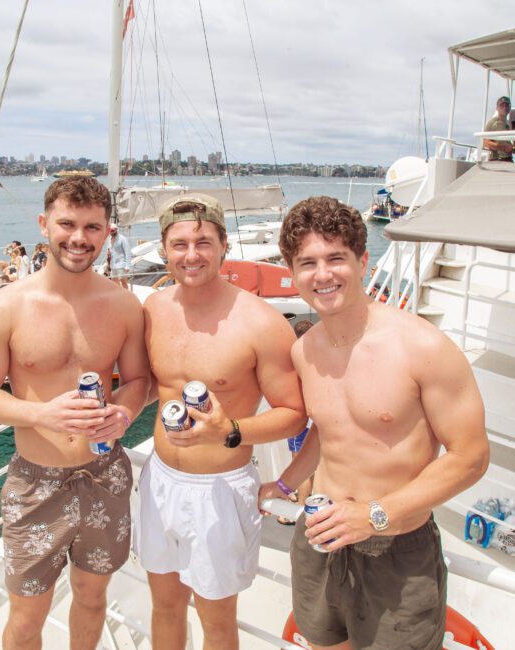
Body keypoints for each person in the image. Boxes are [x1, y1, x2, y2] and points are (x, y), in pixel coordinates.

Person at [259, 196, 489, 650]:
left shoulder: (423, 347)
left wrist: (375, 515)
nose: (322, 275)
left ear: (364, 261)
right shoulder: (305, 350)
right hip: (319, 535)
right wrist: (284, 485)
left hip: (395, 547)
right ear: (292, 271)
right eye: (308, 263)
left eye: (335, 258)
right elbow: (327, 431)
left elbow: (472, 456)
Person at [0, 176, 149, 650]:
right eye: (67, 223)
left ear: (108, 232)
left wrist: (124, 415)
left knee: (92, 599)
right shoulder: (3, 308)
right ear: (44, 224)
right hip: (35, 481)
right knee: (26, 618)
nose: (79, 238)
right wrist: (42, 414)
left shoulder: (123, 306)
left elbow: (139, 382)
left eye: (92, 227)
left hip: (106, 475)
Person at [135, 194, 305, 650]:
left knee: (216, 622)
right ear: (163, 249)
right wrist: (113, 409)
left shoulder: (261, 322)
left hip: (220, 490)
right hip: (160, 481)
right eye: (180, 244)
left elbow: (293, 414)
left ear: (224, 245)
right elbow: (154, 384)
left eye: (204, 242)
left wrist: (231, 430)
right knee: (164, 607)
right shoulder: (154, 307)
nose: (192, 255)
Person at [277, 319, 315, 526]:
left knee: (300, 464)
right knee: (311, 463)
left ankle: (299, 512)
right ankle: (302, 500)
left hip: (302, 422)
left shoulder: (296, 361)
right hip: (314, 420)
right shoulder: (320, 358)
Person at [483, 96, 512, 161]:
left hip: (508, 159)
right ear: (497, 108)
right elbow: (485, 142)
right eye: (501, 105)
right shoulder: (492, 122)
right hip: (496, 159)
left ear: (510, 107)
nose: (504, 107)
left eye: (507, 105)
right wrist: (503, 147)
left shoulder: (508, 123)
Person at [107, 223, 131, 289]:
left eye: (113, 230)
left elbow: (127, 252)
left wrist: (127, 265)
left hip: (121, 264)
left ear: (116, 230)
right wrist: (108, 265)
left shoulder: (122, 239)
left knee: (123, 281)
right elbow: (109, 251)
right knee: (114, 282)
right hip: (113, 264)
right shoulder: (109, 239)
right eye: (110, 231)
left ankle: (127, 295)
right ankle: (118, 296)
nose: (111, 232)